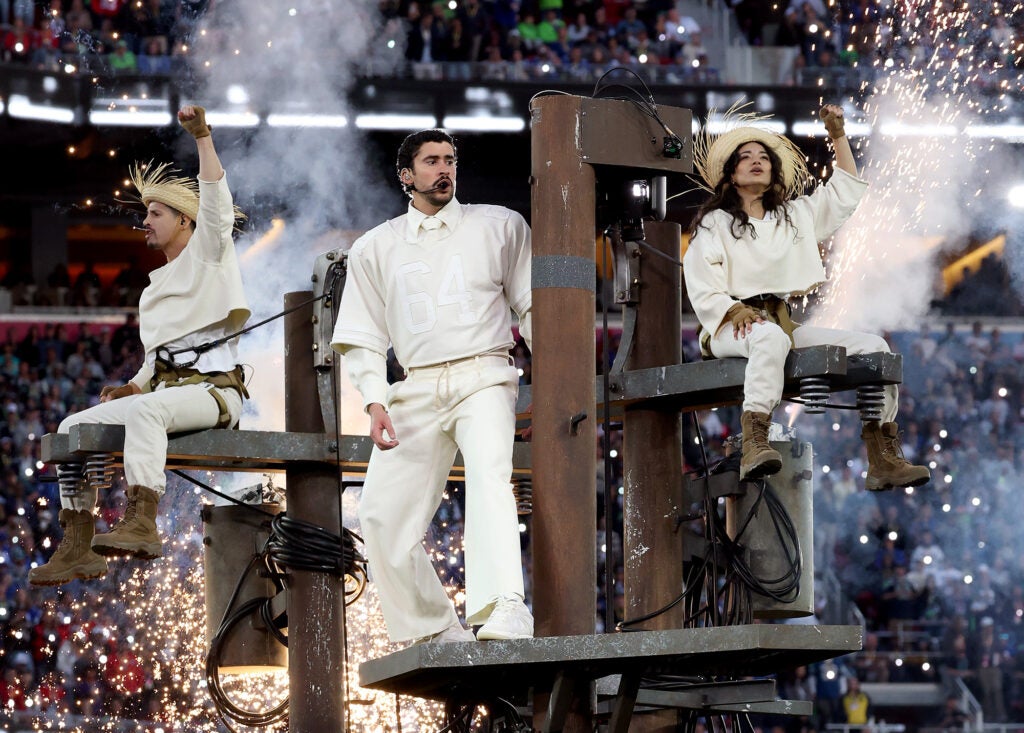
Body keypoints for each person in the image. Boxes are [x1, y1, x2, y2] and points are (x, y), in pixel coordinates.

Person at [29, 105, 250, 586]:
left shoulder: (209, 253)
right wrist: (131, 388)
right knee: (71, 425)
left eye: (155, 213)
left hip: (213, 394)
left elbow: (214, 198)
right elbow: (156, 364)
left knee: (150, 413)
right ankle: (77, 544)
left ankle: (143, 519)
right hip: (166, 396)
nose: (145, 222)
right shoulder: (152, 290)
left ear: (186, 223)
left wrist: (203, 137)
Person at [331, 129, 533, 644]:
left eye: (450, 160)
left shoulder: (501, 225)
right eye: (431, 161)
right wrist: (374, 399)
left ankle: (504, 606)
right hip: (415, 385)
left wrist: (557, 376)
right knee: (378, 514)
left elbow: (533, 307)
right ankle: (435, 629)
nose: (444, 169)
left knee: (490, 478)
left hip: (485, 372)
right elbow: (361, 335)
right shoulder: (374, 246)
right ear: (406, 175)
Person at [683, 103, 930, 490]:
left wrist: (838, 136)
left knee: (876, 347)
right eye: (745, 157)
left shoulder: (793, 217)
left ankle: (882, 455)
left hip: (780, 324)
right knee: (768, 337)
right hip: (730, 326)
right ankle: (755, 442)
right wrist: (732, 310)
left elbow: (843, 191)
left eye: (763, 157)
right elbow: (700, 279)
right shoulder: (716, 223)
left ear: (773, 171)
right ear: (731, 174)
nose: (756, 161)